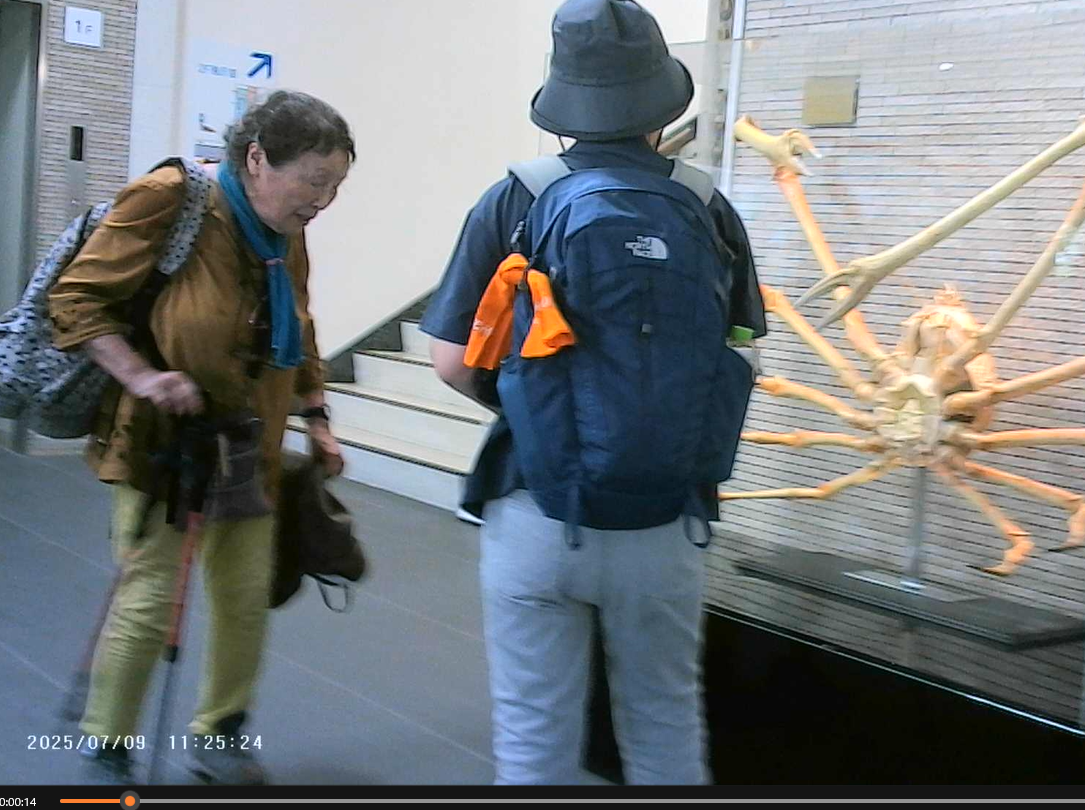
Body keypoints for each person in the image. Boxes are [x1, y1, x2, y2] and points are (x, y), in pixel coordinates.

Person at [421, 0, 767, 786]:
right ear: (660, 107)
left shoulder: (514, 198)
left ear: (564, 105)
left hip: (536, 506)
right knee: (665, 724)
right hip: (668, 519)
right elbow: (740, 348)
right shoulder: (708, 206)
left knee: (533, 737)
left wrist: (539, 410)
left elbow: (449, 360)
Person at [47, 90, 354, 785]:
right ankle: (107, 742)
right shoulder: (172, 198)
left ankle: (220, 730)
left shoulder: (286, 230)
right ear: (257, 158)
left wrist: (317, 416)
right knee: (151, 594)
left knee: (244, 594)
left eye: (334, 186)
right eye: (313, 180)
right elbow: (76, 298)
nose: (323, 200)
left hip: (253, 439)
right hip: (166, 437)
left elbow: (300, 322)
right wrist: (143, 376)